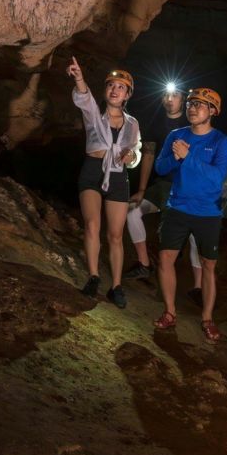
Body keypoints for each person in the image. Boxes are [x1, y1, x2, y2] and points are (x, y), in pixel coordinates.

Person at [152, 87, 227, 341]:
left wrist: (187, 157)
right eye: (190, 103)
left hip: (208, 212)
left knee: (208, 265)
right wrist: (176, 159)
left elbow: (216, 179)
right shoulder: (176, 135)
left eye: (200, 104)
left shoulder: (221, 141)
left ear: (213, 111)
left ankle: (207, 318)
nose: (192, 108)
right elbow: (160, 166)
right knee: (165, 259)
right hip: (178, 207)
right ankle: (170, 313)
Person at [68, 56, 141, 309]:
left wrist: (131, 157)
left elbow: (135, 153)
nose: (115, 89)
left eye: (120, 87)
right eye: (111, 85)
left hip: (118, 176)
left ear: (127, 95)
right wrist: (79, 78)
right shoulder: (94, 115)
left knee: (116, 235)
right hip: (92, 170)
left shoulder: (132, 124)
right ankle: (93, 276)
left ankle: (117, 286)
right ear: (106, 90)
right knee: (91, 224)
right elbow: (84, 98)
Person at [125, 86, 203, 304]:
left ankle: (198, 286)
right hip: (162, 187)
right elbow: (148, 155)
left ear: (184, 100)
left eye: (175, 95)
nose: (169, 99)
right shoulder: (155, 124)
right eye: (165, 95)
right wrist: (141, 190)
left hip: (188, 189)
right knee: (132, 212)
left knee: (194, 231)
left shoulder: (194, 125)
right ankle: (144, 265)